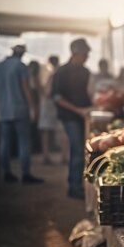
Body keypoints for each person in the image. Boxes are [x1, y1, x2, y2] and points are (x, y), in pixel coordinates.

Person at [0, 44, 43, 184]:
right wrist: (33, 108)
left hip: (4, 110)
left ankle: (6, 172)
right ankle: (26, 174)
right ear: (22, 54)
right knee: (24, 142)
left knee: (5, 142)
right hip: (20, 109)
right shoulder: (21, 66)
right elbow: (26, 89)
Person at [52, 38, 93, 199]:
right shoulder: (61, 72)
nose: (87, 57)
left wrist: (90, 106)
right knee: (77, 150)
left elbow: (85, 93)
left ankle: (77, 183)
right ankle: (74, 186)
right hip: (69, 116)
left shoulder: (85, 72)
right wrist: (78, 110)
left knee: (82, 150)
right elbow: (56, 97)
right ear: (76, 53)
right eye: (85, 54)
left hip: (83, 115)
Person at [38, 55, 64, 165]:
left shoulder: (52, 75)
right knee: (62, 131)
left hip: (50, 105)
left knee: (47, 131)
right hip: (59, 104)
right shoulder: (61, 74)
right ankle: (64, 156)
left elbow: (47, 93)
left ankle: (46, 155)